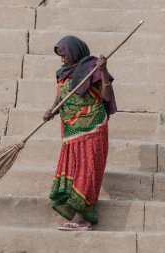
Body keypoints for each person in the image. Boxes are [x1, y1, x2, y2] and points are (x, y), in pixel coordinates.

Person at [43, 35, 117, 231]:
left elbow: (105, 96)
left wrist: (102, 71)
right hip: (70, 132)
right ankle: (78, 217)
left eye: (64, 55)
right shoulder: (62, 73)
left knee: (87, 171)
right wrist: (52, 110)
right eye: (60, 56)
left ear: (75, 52)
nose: (62, 59)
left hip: (92, 129)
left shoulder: (92, 68)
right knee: (74, 171)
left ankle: (81, 220)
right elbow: (61, 98)